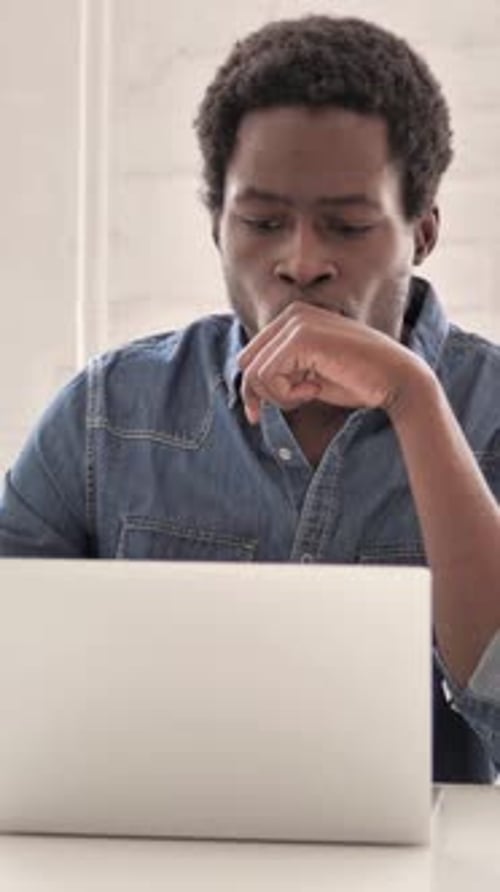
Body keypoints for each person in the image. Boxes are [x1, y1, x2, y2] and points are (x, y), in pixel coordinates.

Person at [1, 14, 500, 782]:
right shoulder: (109, 416)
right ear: (215, 226)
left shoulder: (489, 407)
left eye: (349, 225)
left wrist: (413, 400)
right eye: (262, 223)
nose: (302, 261)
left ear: (422, 232)